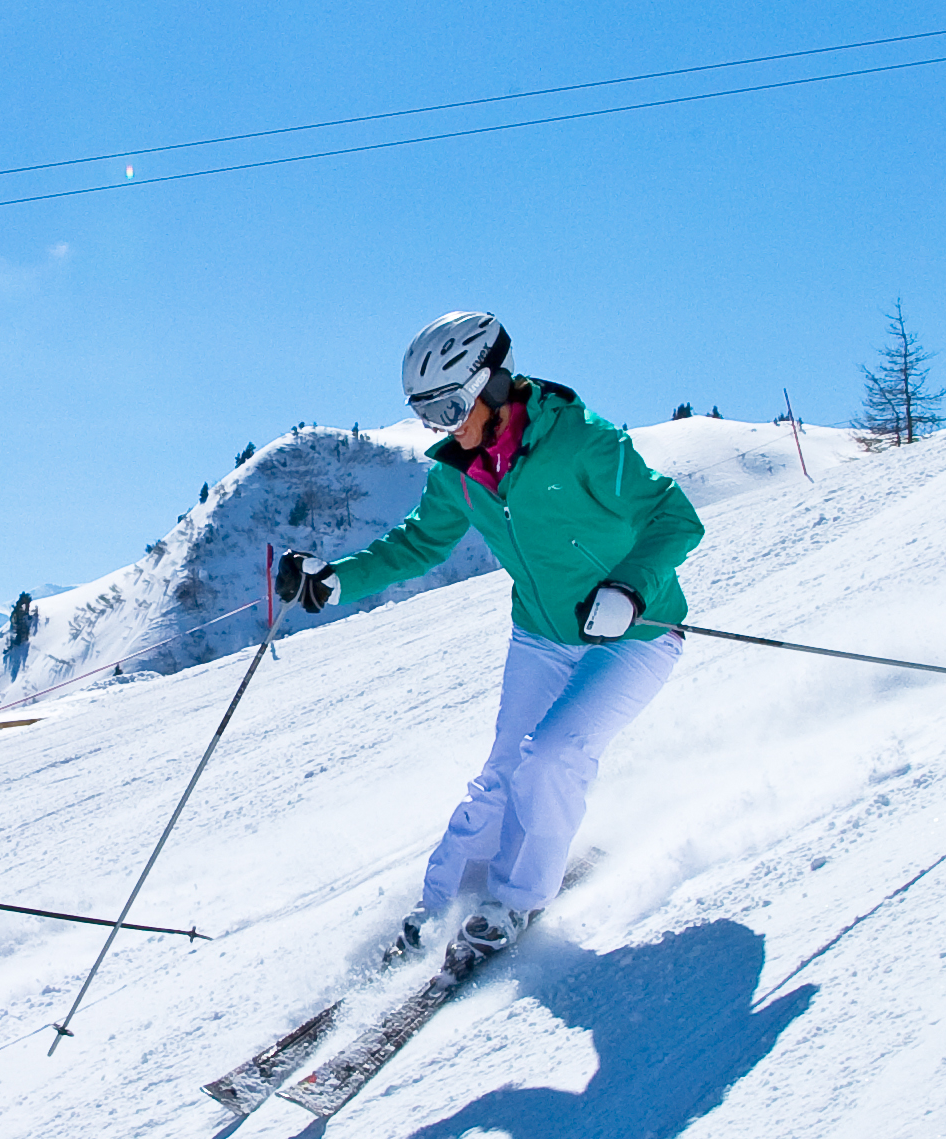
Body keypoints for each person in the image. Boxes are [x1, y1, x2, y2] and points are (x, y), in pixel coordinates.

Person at [275, 310, 703, 961]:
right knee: (502, 771)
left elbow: (676, 517)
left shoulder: (583, 443)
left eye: (450, 406)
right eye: (427, 413)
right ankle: (443, 904)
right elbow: (419, 543)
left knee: (553, 755)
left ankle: (515, 900)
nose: (443, 426)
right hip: (540, 636)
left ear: (494, 385)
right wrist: (337, 580)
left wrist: (629, 588)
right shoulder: (459, 470)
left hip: (635, 633)